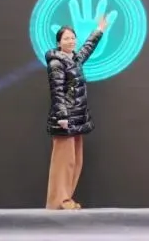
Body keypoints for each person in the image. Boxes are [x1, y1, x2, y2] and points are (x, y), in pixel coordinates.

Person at [45, 17, 109, 210]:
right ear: (59, 43)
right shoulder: (56, 63)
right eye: (66, 38)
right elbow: (57, 91)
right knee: (64, 163)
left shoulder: (74, 59)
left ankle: (65, 199)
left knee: (74, 162)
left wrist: (99, 30)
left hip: (77, 118)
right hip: (65, 120)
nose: (71, 41)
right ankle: (59, 201)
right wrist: (62, 116)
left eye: (73, 38)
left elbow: (87, 47)